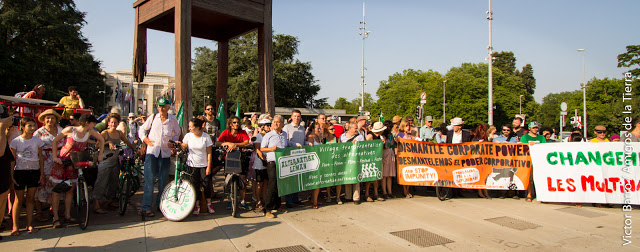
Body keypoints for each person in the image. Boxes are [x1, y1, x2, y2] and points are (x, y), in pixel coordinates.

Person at [51, 114, 104, 227]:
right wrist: (55, 157)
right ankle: (55, 217)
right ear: (87, 123)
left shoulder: (89, 132)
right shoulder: (70, 129)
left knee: (70, 189)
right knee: (57, 190)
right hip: (63, 161)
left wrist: (100, 154)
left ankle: (67, 214)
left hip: (75, 162)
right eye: (93, 123)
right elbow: (55, 141)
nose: (94, 125)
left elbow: (101, 139)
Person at [138, 98, 181, 217]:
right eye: (159, 106)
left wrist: (173, 142)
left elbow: (177, 132)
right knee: (149, 181)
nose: (161, 109)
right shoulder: (153, 118)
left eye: (163, 106)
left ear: (168, 107)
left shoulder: (172, 119)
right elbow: (142, 129)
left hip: (165, 153)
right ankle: (146, 207)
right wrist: (144, 139)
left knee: (163, 182)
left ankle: (160, 205)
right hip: (152, 152)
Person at [93, 113, 135, 214]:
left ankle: (109, 201)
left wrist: (135, 149)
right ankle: (96, 204)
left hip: (115, 160)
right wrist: (108, 143)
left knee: (114, 182)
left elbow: (127, 142)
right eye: (111, 122)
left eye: (115, 122)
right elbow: (97, 146)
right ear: (108, 123)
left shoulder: (119, 133)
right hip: (105, 160)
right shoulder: (104, 133)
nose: (113, 124)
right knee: (101, 182)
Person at [9, 117, 44, 235]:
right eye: (29, 126)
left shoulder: (37, 140)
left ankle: (30, 224)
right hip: (20, 172)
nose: (32, 128)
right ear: (22, 127)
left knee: (30, 199)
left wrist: (41, 173)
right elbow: (12, 159)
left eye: (34, 126)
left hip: (34, 171)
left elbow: (40, 157)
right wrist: (11, 174)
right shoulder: (16, 141)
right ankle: (15, 226)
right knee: (18, 200)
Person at [178, 117, 215, 215]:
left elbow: (209, 153)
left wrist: (209, 166)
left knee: (206, 184)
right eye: (189, 127)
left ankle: (209, 204)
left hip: (203, 165)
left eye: (191, 127)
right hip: (191, 165)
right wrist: (179, 144)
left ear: (198, 127)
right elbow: (184, 146)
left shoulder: (206, 137)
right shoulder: (188, 136)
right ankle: (196, 205)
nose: (189, 128)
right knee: (195, 185)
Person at [261, 115, 295, 218]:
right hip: (272, 162)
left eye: (278, 122)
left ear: (282, 124)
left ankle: (277, 205)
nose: (276, 124)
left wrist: (296, 144)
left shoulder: (284, 134)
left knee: (280, 185)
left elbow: (287, 144)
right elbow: (262, 148)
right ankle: (267, 209)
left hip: (282, 162)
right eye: (274, 122)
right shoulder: (269, 135)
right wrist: (271, 149)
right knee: (272, 185)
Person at [33, 109, 63, 221]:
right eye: (48, 118)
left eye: (52, 118)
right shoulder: (39, 132)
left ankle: (53, 209)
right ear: (44, 120)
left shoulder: (61, 130)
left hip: (59, 160)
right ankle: (39, 211)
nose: (50, 120)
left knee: (56, 184)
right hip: (45, 160)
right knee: (43, 184)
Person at [216, 116, 252, 210]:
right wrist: (227, 143)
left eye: (238, 122)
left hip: (240, 157)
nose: (237, 124)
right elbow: (218, 142)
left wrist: (236, 144)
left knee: (243, 179)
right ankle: (229, 200)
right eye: (234, 122)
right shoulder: (226, 132)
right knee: (228, 179)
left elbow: (246, 142)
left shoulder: (242, 132)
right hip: (228, 158)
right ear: (230, 124)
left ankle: (243, 201)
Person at [282, 110, 306, 207]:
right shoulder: (286, 127)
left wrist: (308, 143)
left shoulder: (302, 128)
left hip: (299, 156)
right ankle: (289, 201)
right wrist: (294, 144)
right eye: (295, 116)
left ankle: (296, 198)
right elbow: (285, 141)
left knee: (297, 178)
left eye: (298, 116)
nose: (296, 118)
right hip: (289, 155)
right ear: (291, 117)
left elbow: (303, 141)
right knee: (290, 179)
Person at [0, 114, 17, 241]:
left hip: (4, 173)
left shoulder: (4, 136)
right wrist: (1, 127)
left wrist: (8, 133)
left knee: (1, 203)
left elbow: (8, 153)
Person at [340, 121, 364, 204]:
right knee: (348, 176)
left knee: (356, 177)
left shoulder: (360, 137)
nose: (357, 129)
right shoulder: (342, 136)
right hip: (346, 160)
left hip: (356, 159)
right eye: (355, 128)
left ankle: (356, 197)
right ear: (350, 129)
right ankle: (348, 196)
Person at [364, 122, 386, 203]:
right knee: (369, 177)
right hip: (370, 158)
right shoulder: (370, 136)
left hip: (378, 158)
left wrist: (383, 142)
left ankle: (376, 194)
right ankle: (367, 194)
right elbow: (365, 147)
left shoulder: (381, 137)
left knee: (377, 177)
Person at [252, 119, 271, 209]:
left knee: (266, 183)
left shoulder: (269, 135)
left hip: (268, 161)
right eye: (267, 125)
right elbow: (258, 149)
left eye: (269, 125)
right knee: (259, 183)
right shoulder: (258, 136)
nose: (269, 126)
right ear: (262, 126)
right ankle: (258, 200)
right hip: (260, 162)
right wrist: (264, 159)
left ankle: (264, 199)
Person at [306, 121, 324, 209]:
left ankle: (314, 199)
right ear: (313, 129)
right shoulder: (310, 138)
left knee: (317, 183)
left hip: (319, 161)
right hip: (313, 163)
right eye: (318, 128)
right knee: (315, 184)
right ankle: (314, 202)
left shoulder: (317, 137)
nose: (319, 130)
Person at [323, 122, 341, 203]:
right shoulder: (323, 140)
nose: (334, 130)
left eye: (334, 128)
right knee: (328, 180)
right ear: (327, 130)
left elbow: (341, 149)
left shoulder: (337, 139)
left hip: (336, 161)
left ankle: (338, 197)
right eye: (331, 129)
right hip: (327, 162)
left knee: (338, 180)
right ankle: (329, 196)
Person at [471, 124, 491, 199]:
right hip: (479, 159)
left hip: (485, 159)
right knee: (481, 175)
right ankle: (481, 191)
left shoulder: (486, 138)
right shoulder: (477, 139)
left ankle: (484, 191)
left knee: (485, 176)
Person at [380, 120, 397, 199]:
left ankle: (390, 191)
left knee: (390, 174)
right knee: (385, 175)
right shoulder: (382, 136)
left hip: (391, 153)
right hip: (385, 153)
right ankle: (384, 192)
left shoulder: (391, 135)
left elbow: (393, 144)